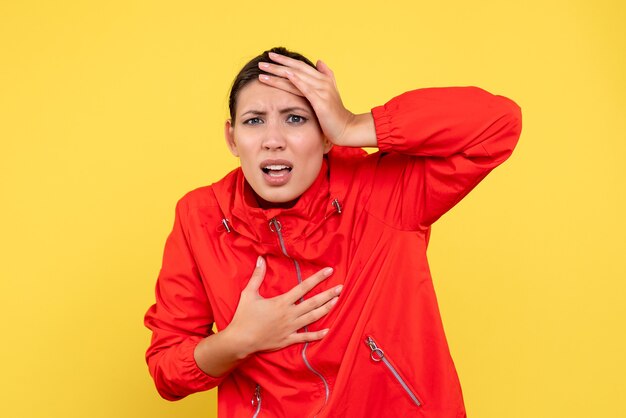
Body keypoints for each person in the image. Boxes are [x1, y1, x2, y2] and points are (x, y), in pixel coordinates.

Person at [144, 47, 522, 417]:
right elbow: (166, 371)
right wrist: (239, 340)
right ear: (232, 138)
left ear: (325, 134)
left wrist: (352, 124)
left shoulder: (385, 194)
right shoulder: (200, 218)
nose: (273, 140)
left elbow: (500, 123)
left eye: (295, 118)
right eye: (254, 120)